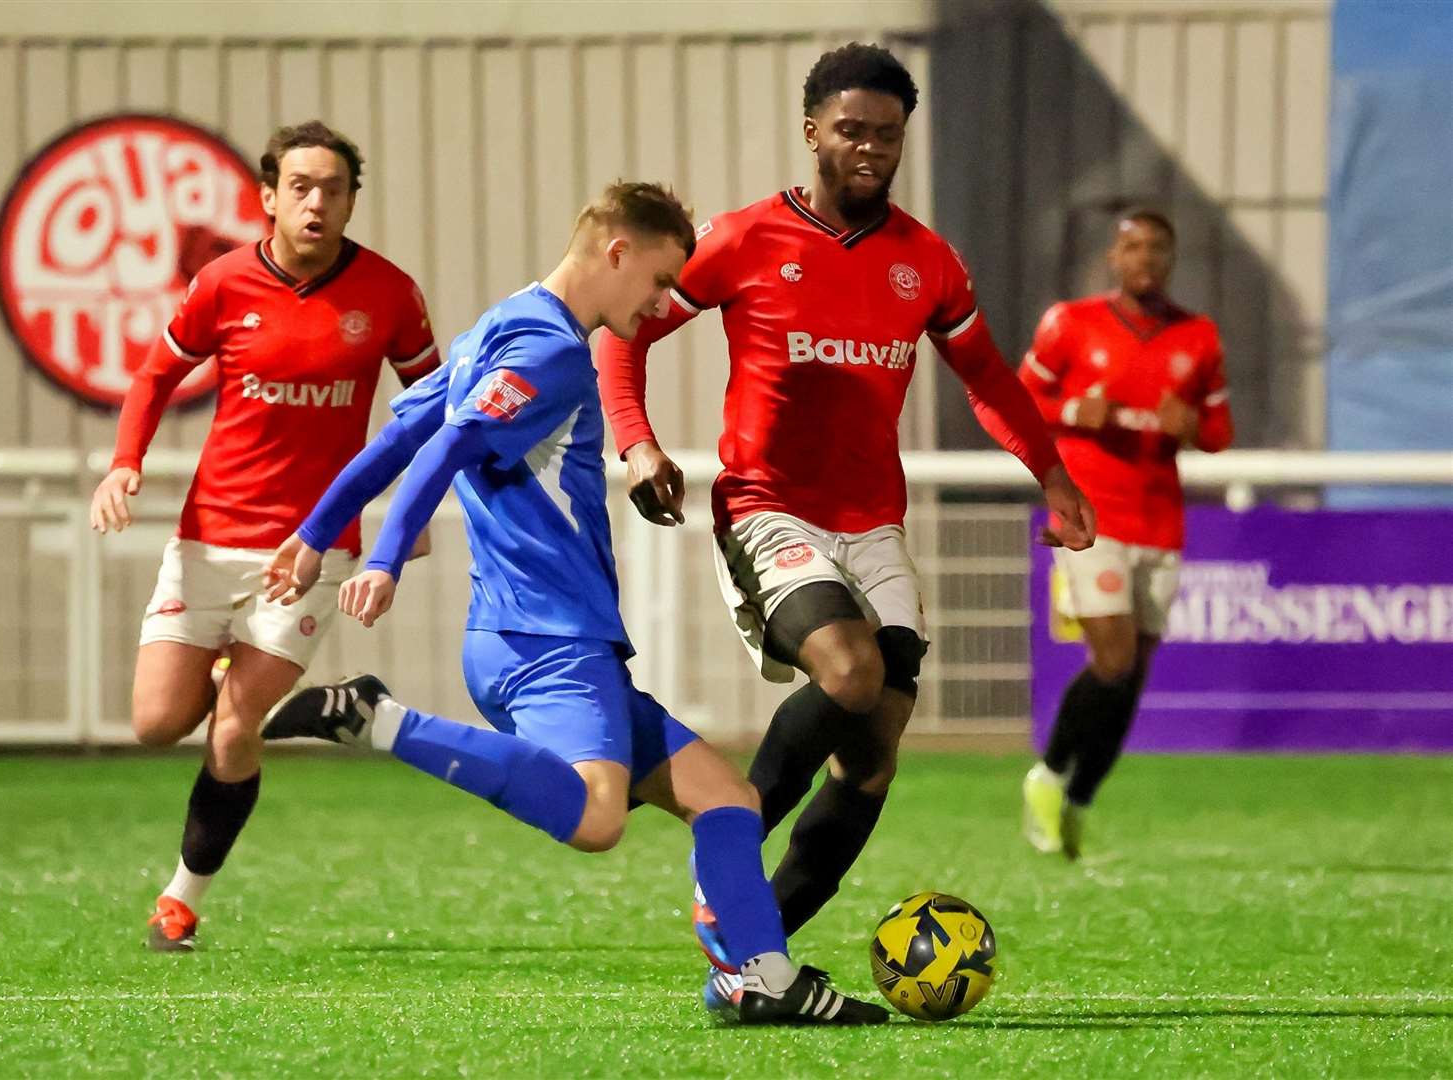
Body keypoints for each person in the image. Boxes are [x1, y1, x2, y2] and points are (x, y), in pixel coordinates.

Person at [259, 181, 888, 1026]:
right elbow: (443, 442)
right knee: (597, 818)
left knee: (729, 804)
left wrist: (313, 534)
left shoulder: (497, 324)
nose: (663, 303)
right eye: (660, 281)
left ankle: (762, 980)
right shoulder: (552, 350)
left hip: (554, 637)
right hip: (545, 639)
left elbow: (394, 439)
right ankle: (375, 719)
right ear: (616, 251)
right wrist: (379, 556)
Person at [594, 44, 1095, 1010]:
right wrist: (637, 445)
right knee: (853, 670)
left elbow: (989, 379)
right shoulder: (741, 239)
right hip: (765, 503)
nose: (870, 148)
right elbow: (626, 332)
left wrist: (1054, 475)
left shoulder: (926, 262)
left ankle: (755, 959)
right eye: (852, 130)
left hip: (872, 521)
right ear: (813, 131)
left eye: (888, 133)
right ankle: (725, 855)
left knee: (874, 752)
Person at [88, 120, 439, 951]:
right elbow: (156, 373)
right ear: (269, 197)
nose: (318, 203)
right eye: (302, 188)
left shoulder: (389, 293)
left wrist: (406, 520)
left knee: (237, 730)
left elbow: (437, 412)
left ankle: (179, 903)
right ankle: (259, 680)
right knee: (153, 723)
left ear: (354, 199)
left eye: (336, 189)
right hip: (208, 540)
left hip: (310, 549)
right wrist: (123, 463)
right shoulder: (222, 284)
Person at [1017, 207, 1234, 859]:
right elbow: (1017, 397)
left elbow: (1221, 436)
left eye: (1157, 248)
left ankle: (1079, 799)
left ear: (1171, 258)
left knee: (1131, 677)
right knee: (1111, 659)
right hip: (1091, 513)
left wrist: (1189, 426)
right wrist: (1071, 411)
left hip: (1160, 519)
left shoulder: (1197, 336)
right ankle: (1048, 775)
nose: (1145, 258)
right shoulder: (1071, 323)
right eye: (1132, 247)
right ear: (1114, 258)